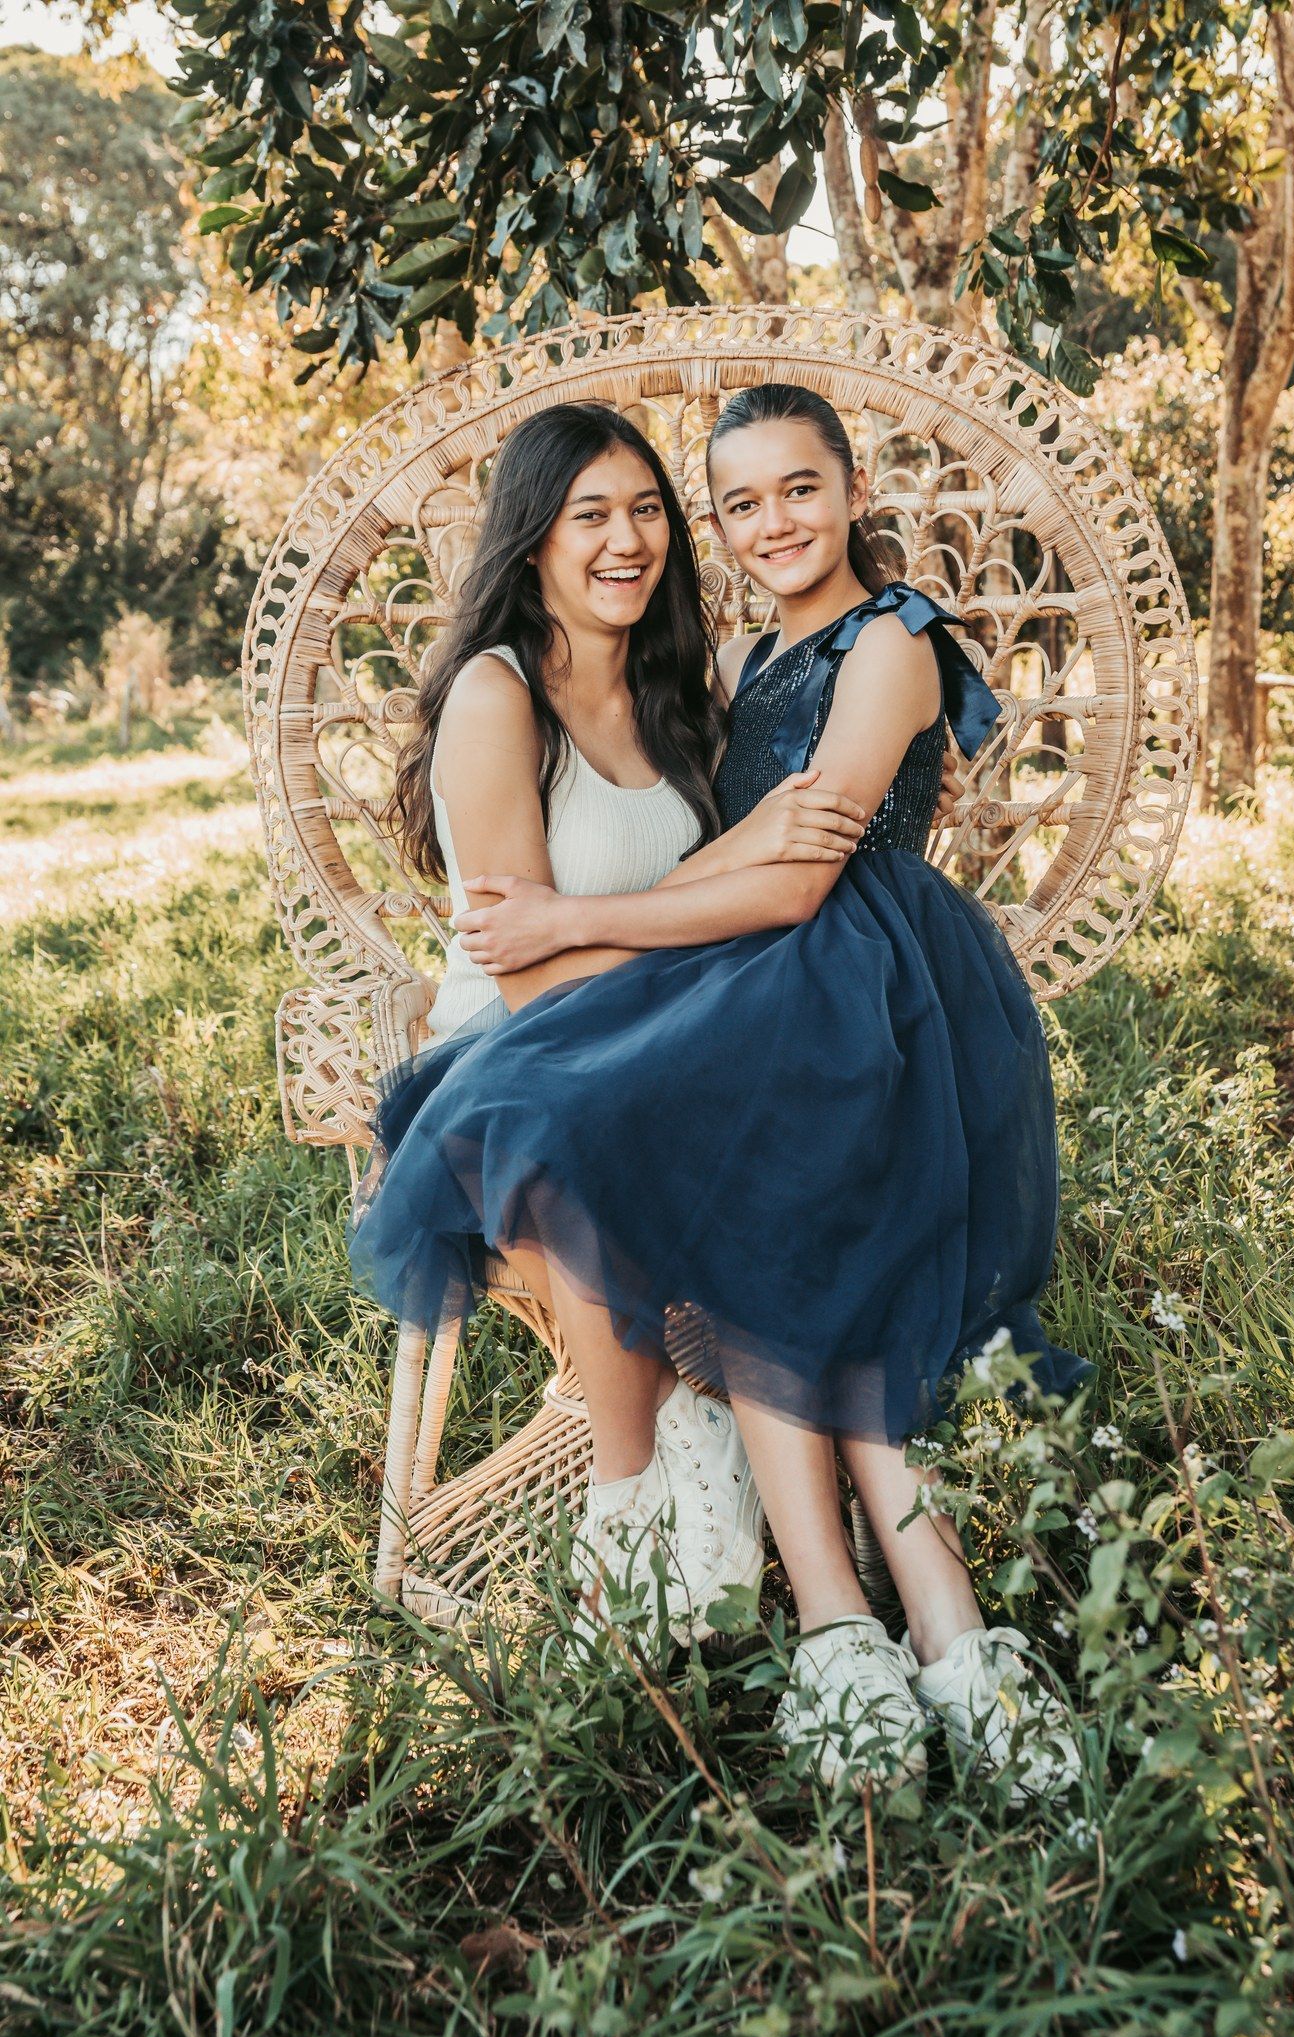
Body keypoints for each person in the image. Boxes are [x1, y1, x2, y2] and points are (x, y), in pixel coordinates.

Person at [352, 386, 1089, 1799]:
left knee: (790, 1195)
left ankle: (910, 1622)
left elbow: (797, 873)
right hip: (703, 1001)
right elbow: (703, 887)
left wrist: (583, 916)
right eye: (738, 503)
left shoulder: (866, 648)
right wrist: (612, 906)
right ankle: (821, 1593)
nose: (768, 525)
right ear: (535, 538)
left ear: (852, 482)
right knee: (764, 1186)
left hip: (835, 986)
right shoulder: (726, 664)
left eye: (794, 491)